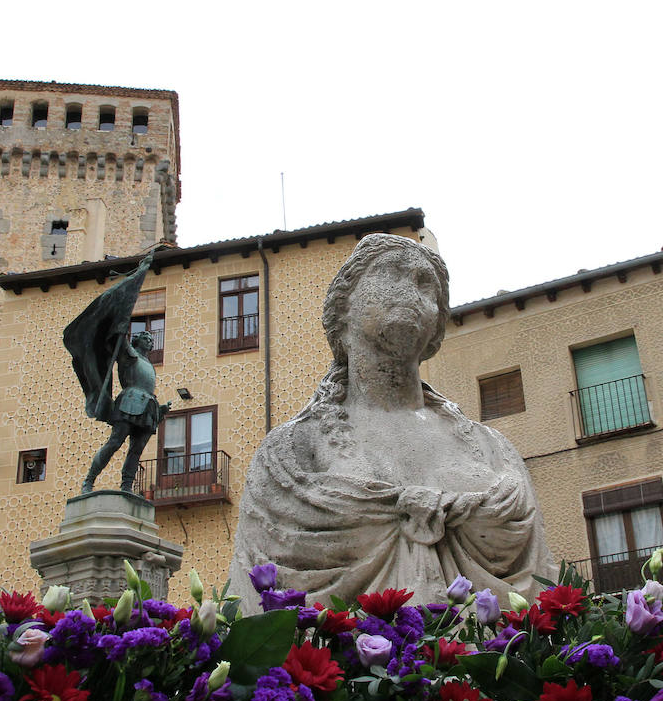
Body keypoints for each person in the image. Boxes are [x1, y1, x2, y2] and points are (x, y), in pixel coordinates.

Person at [228, 233, 556, 606]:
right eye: (390, 273)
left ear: (437, 327)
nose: (411, 291)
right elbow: (253, 605)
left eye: (425, 284)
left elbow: (544, 593)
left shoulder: (492, 450)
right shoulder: (292, 452)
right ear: (343, 308)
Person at [80, 330, 169, 493]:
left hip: (148, 405)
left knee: (137, 449)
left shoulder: (150, 365)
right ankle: (89, 480)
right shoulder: (129, 354)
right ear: (136, 340)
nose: (150, 341)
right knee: (115, 442)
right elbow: (117, 337)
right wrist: (120, 326)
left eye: (151, 339)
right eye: (145, 338)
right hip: (129, 401)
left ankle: (127, 485)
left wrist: (161, 409)